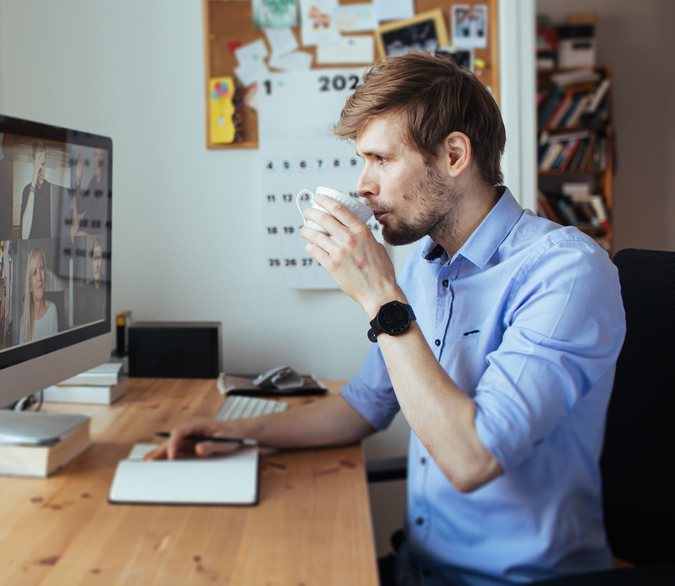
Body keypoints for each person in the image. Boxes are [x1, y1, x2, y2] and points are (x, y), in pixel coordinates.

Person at [147, 53, 626, 585]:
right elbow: (361, 409)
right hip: (416, 568)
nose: (363, 185)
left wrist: (380, 298)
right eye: (362, 160)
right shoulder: (425, 264)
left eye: (381, 159)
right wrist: (236, 433)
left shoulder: (568, 273)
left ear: (453, 155)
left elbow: (474, 460)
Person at [21, 247, 58, 343]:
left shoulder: (52, 310)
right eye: (34, 272)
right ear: (30, 286)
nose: (39, 277)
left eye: (41, 268)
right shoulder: (23, 320)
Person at [20, 140, 53, 239]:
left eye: (43, 164)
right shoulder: (26, 190)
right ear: (33, 162)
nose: (41, 171)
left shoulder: (51, 190)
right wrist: (33, 181)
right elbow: (24, 235)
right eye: (38, 164)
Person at [74, 237, 107, 325]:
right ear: (92, 262)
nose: (96, 265)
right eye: (94, 258)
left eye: (99, 258)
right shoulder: (87, 291)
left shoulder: (109, 287)